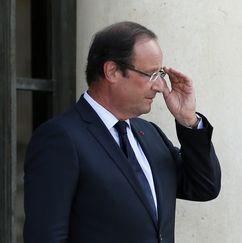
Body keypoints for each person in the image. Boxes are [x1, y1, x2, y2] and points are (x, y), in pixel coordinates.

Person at [23, 21, 221, 243]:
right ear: (112, 71)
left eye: (160, 74)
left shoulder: (150, 134)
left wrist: (188, 121)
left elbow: (204, 187)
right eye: (150, 74)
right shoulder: (60, 138)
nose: (159, 87)